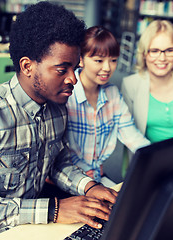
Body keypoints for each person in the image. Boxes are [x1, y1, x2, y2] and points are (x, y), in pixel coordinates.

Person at [0, 2, 117, 239]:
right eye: (62, 70)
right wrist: (54, 210)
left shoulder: (57, 109)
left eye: (75, 69)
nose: (73, 80)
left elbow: (57, 164)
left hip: (29, 229)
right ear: (27, 66)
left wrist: (89, 187)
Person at [66, 26, 150, 185]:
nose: (107, 68)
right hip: (69, 179)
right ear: (81, 59)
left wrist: (157, 157)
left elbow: (131, 136)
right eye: (99, 60)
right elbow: (61, 150)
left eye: (113, 60)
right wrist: (83, 169)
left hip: (96, 178)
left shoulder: (112, 93)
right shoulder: (66, 94)